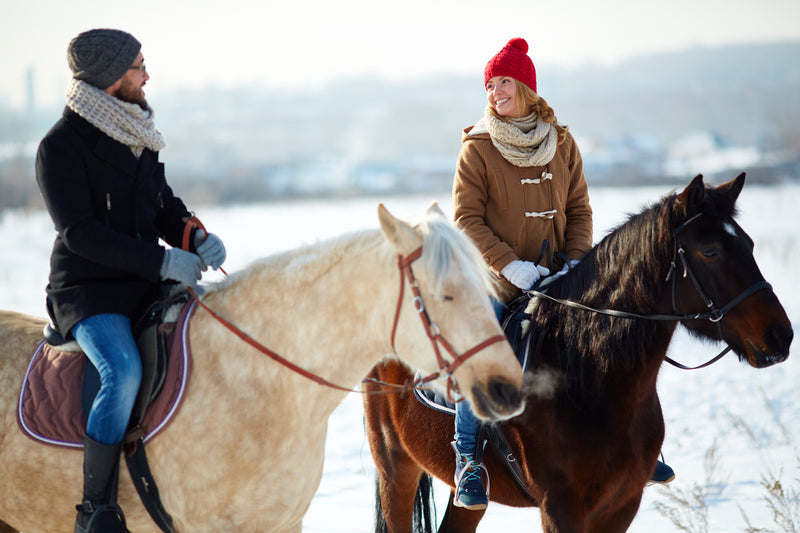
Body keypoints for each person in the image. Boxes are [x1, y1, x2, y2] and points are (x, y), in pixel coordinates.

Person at [450, 37, 673, 510]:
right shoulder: (478, 148)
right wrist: (510, 264)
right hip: (498, 278)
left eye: (504, 82)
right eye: (490, 85)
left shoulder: (562, 142)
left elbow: (579, 209)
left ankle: (638, 447)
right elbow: (466, 220)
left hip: (561, 276)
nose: (495, 92)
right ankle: (467, 459)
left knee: (613, 338)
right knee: (481, 352)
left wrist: (576, 261)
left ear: (527, 87)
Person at [35, 29, 226, 533]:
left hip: (144, 283)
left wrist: (195, 237)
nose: (147, 75)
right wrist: (162, 264)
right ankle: (95, 508)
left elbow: (162, 206)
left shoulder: (136, 130)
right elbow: (81, 234)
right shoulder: (59, 147)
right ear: (110, 77)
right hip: (88, 290)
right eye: (139, 66)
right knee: (122, 371)